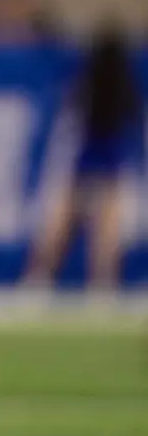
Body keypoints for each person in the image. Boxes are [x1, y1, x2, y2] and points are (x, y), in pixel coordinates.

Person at [23, 25, 145, 292]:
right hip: (97, 166)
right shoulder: (113, 92)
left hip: (94, 166)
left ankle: (41, 280)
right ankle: (99, 283)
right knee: (89, 232)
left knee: (80, 230)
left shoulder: (91, 90)